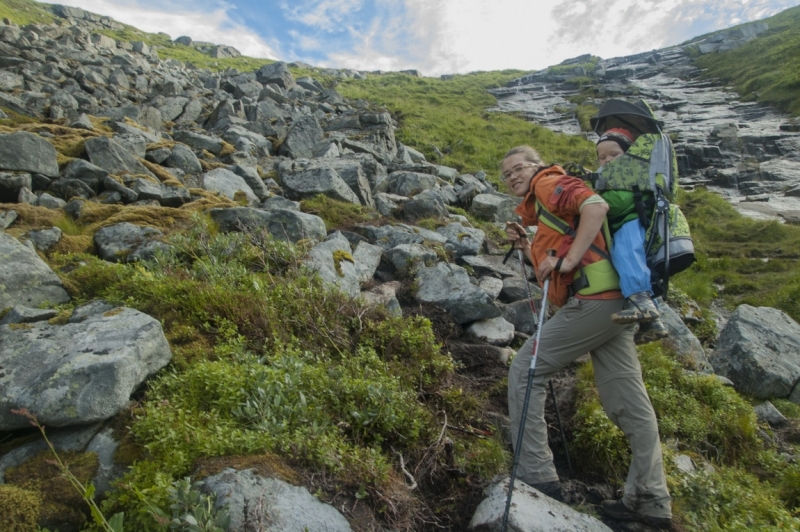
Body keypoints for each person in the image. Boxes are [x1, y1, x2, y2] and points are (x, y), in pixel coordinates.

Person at [502, 146, 673, 529]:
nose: (513, 176)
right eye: (506, 173)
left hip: (593, 301)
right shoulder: (543, 207)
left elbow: (595, 206)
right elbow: (556, 258)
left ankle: (536, 474)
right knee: (629, 401)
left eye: (518, 168)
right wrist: (531, 247)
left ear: (537, 165)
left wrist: (570, 260)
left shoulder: (548, 182)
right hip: (613, 305)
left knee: (525, 370)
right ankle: (650, 500)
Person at [595, 128, 669, 344]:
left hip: (630, 224)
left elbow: (616, 204)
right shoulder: (618, 178)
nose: (608, 160)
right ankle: (651, 325)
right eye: (602, 157)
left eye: (614, 154)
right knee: (627, 257)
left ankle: (640, 301)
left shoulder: (631, 177)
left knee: (626, 254)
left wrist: (594, 197)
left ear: (629, 156)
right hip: (629, 224)